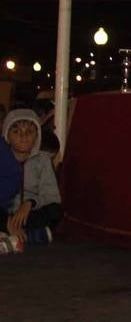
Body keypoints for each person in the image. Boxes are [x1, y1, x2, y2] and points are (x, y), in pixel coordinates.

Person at [3, 108, 62, 252]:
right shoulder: (2, 158)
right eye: (16, 132)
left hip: (29, 215)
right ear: (7, 137)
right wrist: (7, 220)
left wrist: (30, 203)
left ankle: (12, 238)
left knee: (55, 211)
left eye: (29, 132)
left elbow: (52, 196)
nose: (23, 136)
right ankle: (27, 236)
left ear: (37, 136)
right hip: (5, 213)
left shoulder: (43, 161)